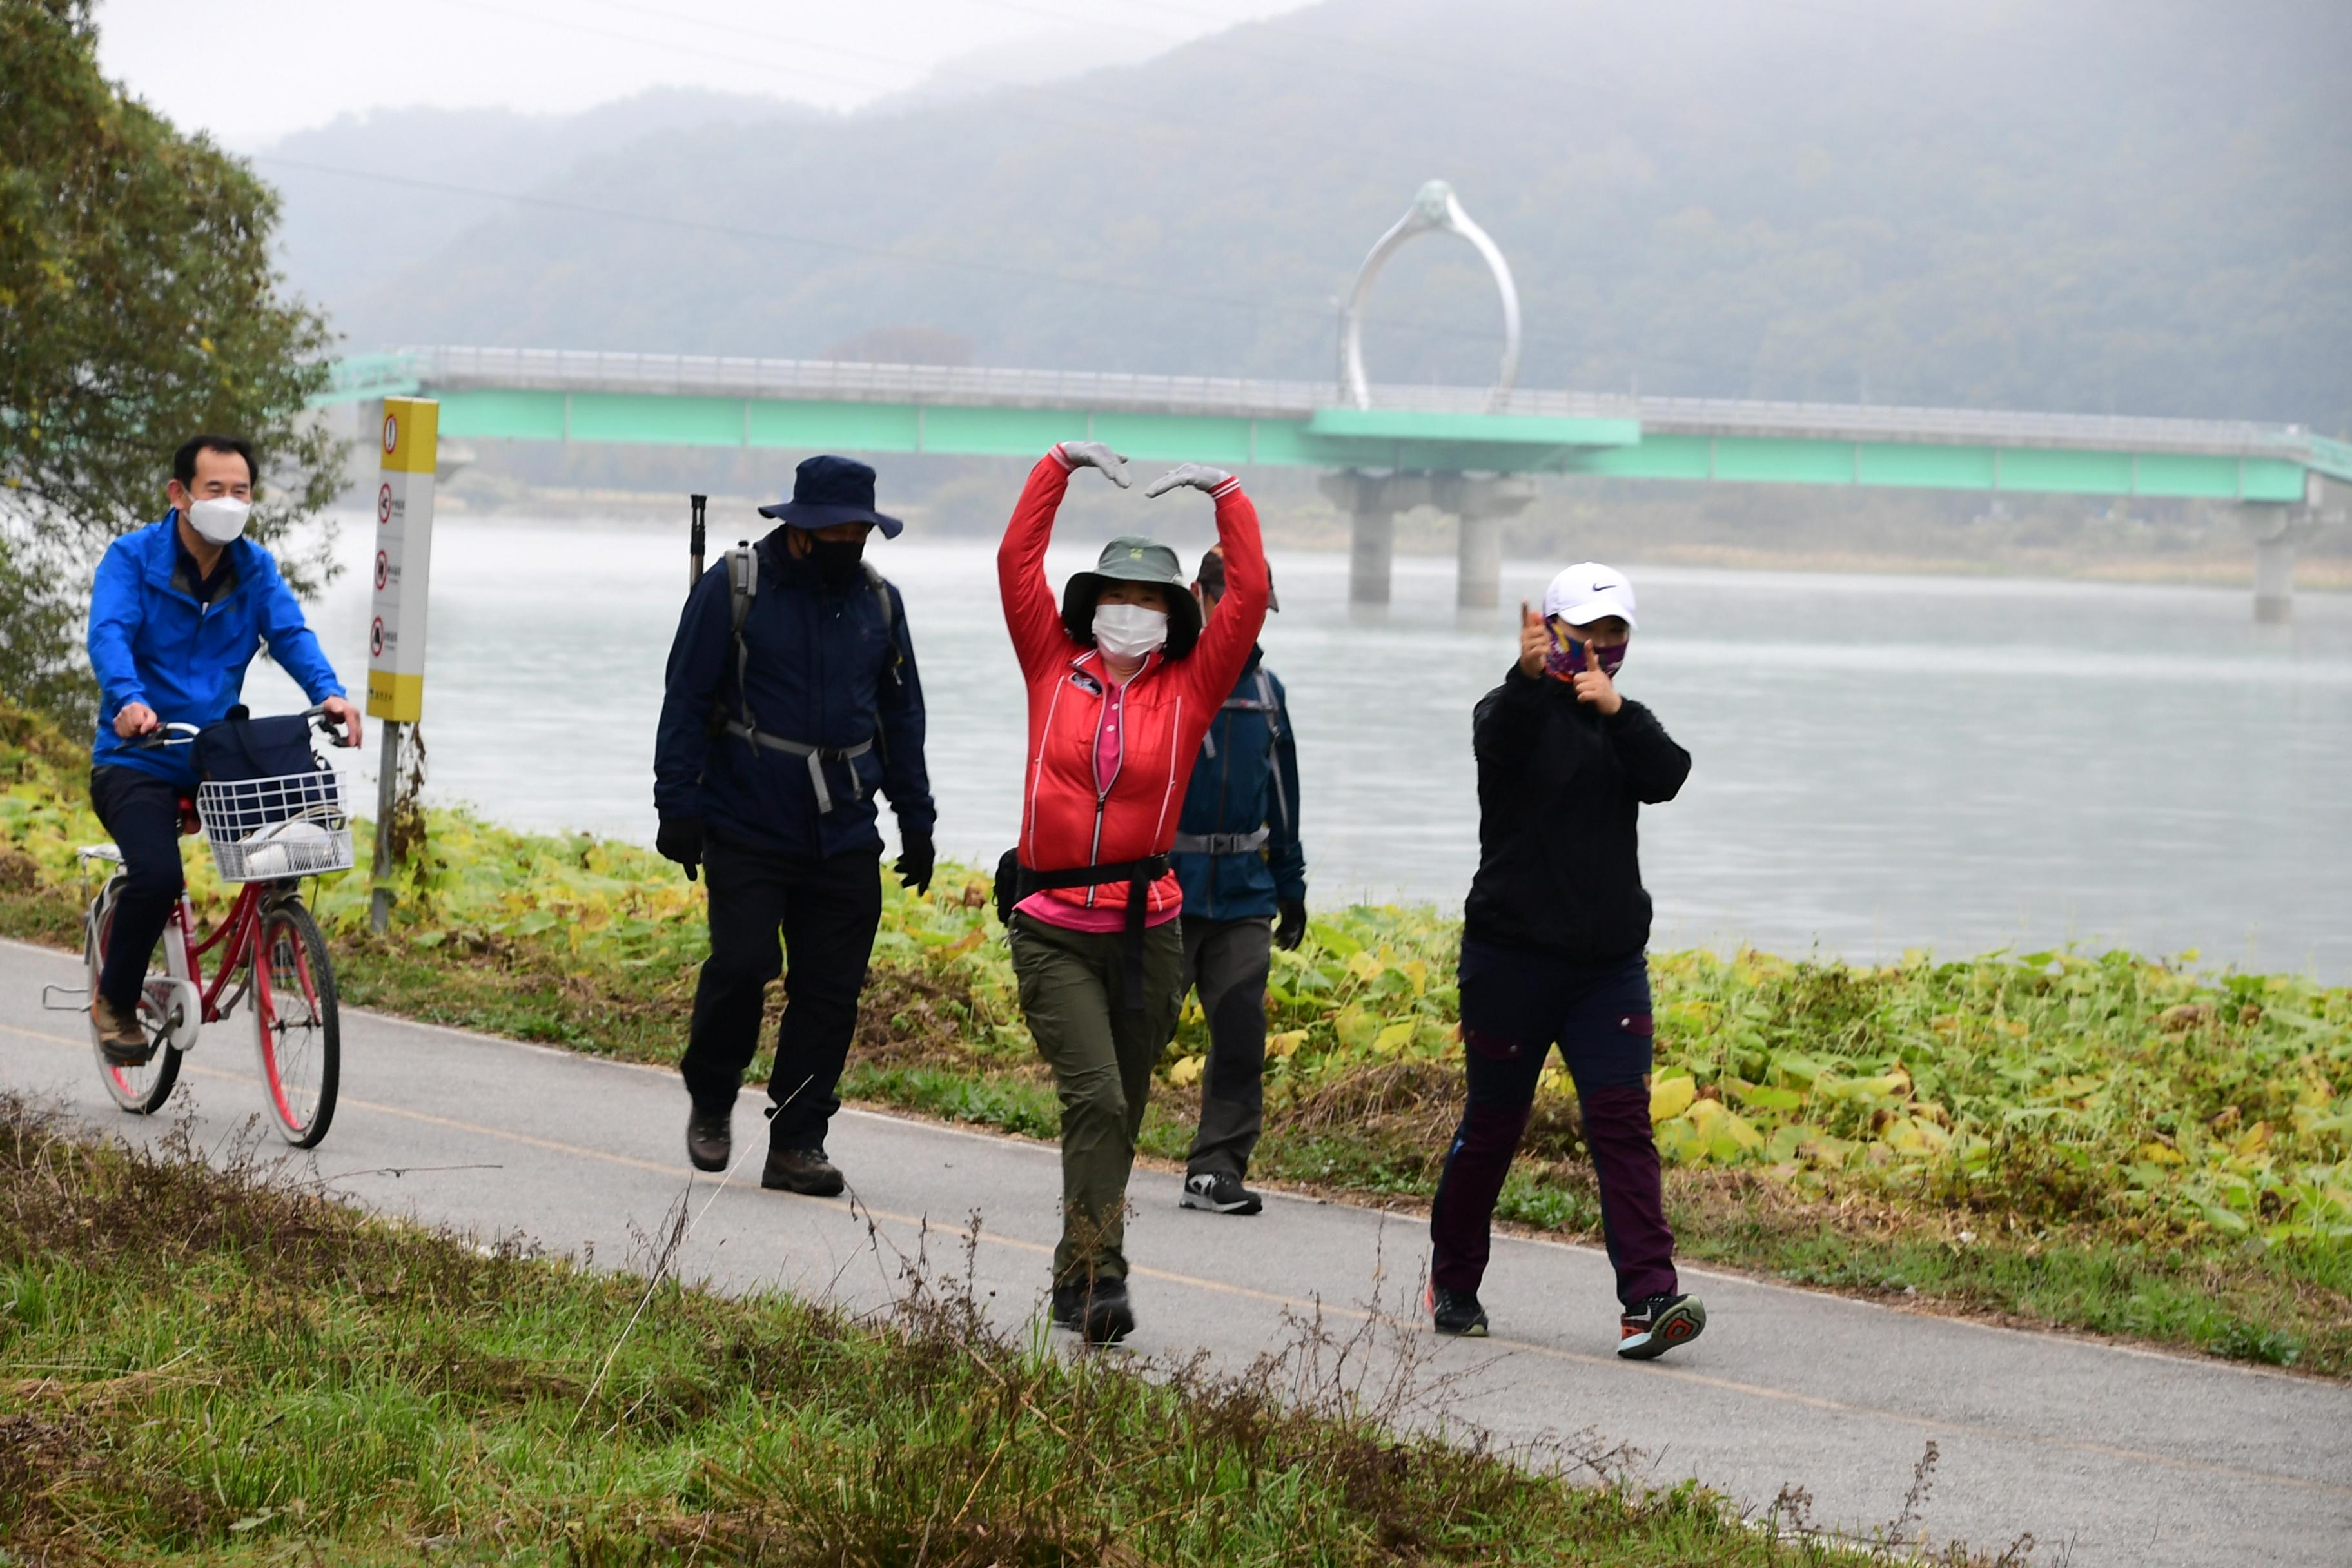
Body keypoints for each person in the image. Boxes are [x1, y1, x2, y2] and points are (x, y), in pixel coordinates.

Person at [997, 441, 1268, 1344]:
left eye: (1150, 601)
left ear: (1173, 615)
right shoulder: (1051, 662)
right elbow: (1015, 562)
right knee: (1099, 1101)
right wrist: (1058, 467)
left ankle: (1077, 1281)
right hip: (1052, 923)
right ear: (1093, 605)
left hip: (1146, 928)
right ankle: (1099, 1277)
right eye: (1117, 597)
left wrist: (1225, 493)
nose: (1132, 613)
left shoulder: (1191, 689)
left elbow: (1252, 594)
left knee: (1125, 1106)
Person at [1426, 562, 1705, 1360]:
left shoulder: (1624, 721)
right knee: (1494, 1126)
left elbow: (1670, 774)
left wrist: (1618, 714)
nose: (1599, 645)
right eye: (1584, 630)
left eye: (1615, 632)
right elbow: (1496, 737)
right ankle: (1455, 1281)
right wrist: (1525, 680)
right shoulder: (1509, 710)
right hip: (1509, 961)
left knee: (1621, 1127)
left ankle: (1650, 1301)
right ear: (1549, 629)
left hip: (1608, 969)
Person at [654, 455, 934, 1196]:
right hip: (746, 818)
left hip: (843, 828)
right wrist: (675, 805)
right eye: (837, 529)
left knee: (831, 991)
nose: (851, 542)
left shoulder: (880, 603)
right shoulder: (734, 587)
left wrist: (918, 819)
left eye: (861, 531)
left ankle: (798, 1140)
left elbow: (903, 719)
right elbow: (684, 697)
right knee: (743, 966)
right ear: (801, 529)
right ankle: (713, 1095)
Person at [84, 435, 362, 1062]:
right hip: (136, 756)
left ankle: (280, 933)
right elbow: (109, 634)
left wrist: (331, 693)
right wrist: (128, 699)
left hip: (215, 754)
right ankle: (115, 1000)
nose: (229, 502)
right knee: (156, 877)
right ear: (179, 494)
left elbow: (290, 633)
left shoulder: (254, 567)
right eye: (215, 489)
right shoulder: (131, 558)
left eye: (241, 491)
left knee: (297, 829)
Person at [1167, 545, 1306, 1217]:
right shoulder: (1166, 675)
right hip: (1166, 890)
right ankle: (1101, 1151)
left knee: (1241, 1033)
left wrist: (1292, 883)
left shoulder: (1268, 692)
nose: (1247, 620)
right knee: (1140, 1027)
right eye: (1234, 602)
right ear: (1201, 593)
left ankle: (1216, 1166)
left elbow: (1284, 797)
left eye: (1259, 610)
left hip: (1245, 895)